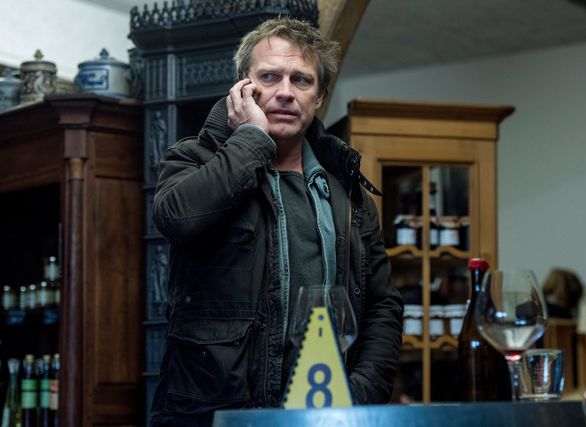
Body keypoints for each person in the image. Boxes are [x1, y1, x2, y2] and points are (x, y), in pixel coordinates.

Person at [150, 17, 403, 426]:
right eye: (269, 77)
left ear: (319, 97)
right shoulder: (192, 159)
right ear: (243, 88)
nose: (285, 92)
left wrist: (360, 391)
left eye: (301, 80)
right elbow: (178, 219)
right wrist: (251, 138)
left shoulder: (346, 191)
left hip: (323, 411)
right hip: (213, 416)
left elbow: (382, 304)